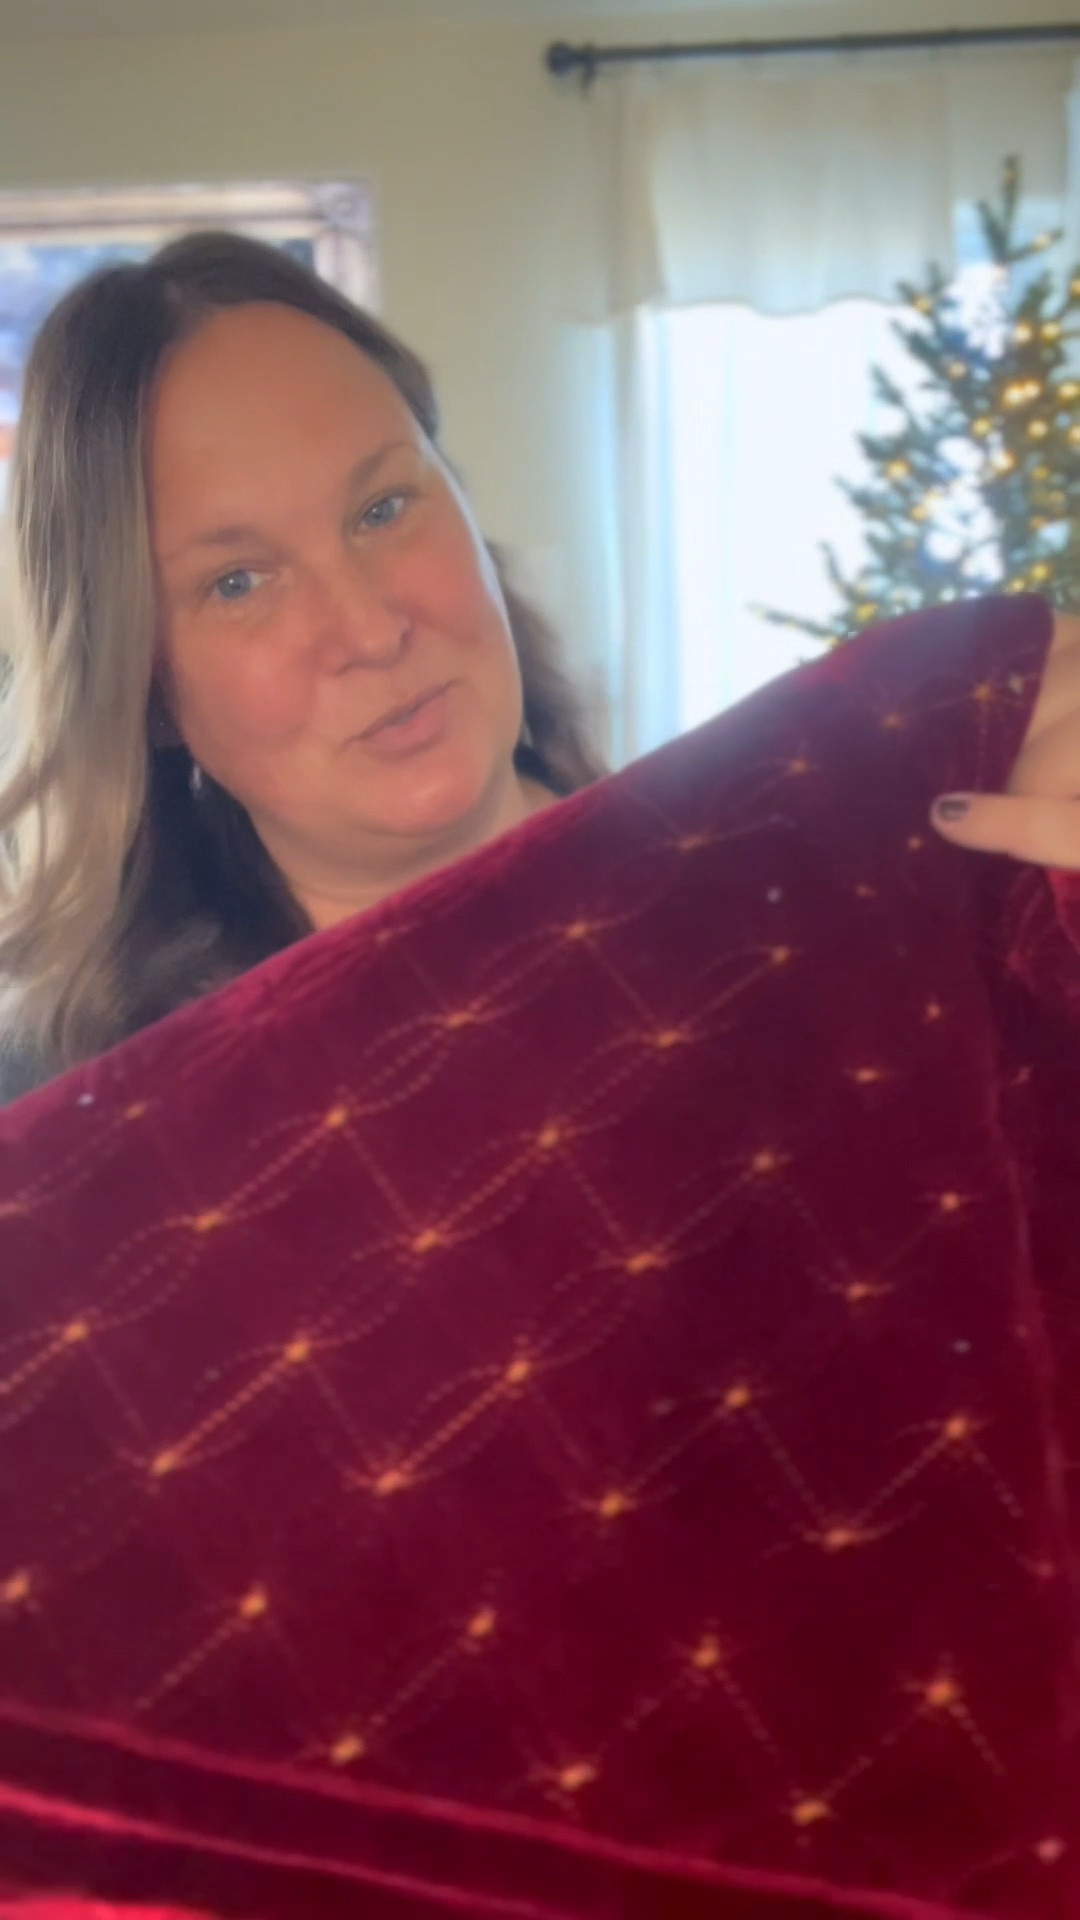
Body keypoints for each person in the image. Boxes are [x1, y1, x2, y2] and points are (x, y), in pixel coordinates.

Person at [0, 231, 603, 1096]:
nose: (368, 630)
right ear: (147, 694)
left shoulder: (752, 888)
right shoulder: (86, 1123)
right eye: (238, 583)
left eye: (383, 507)